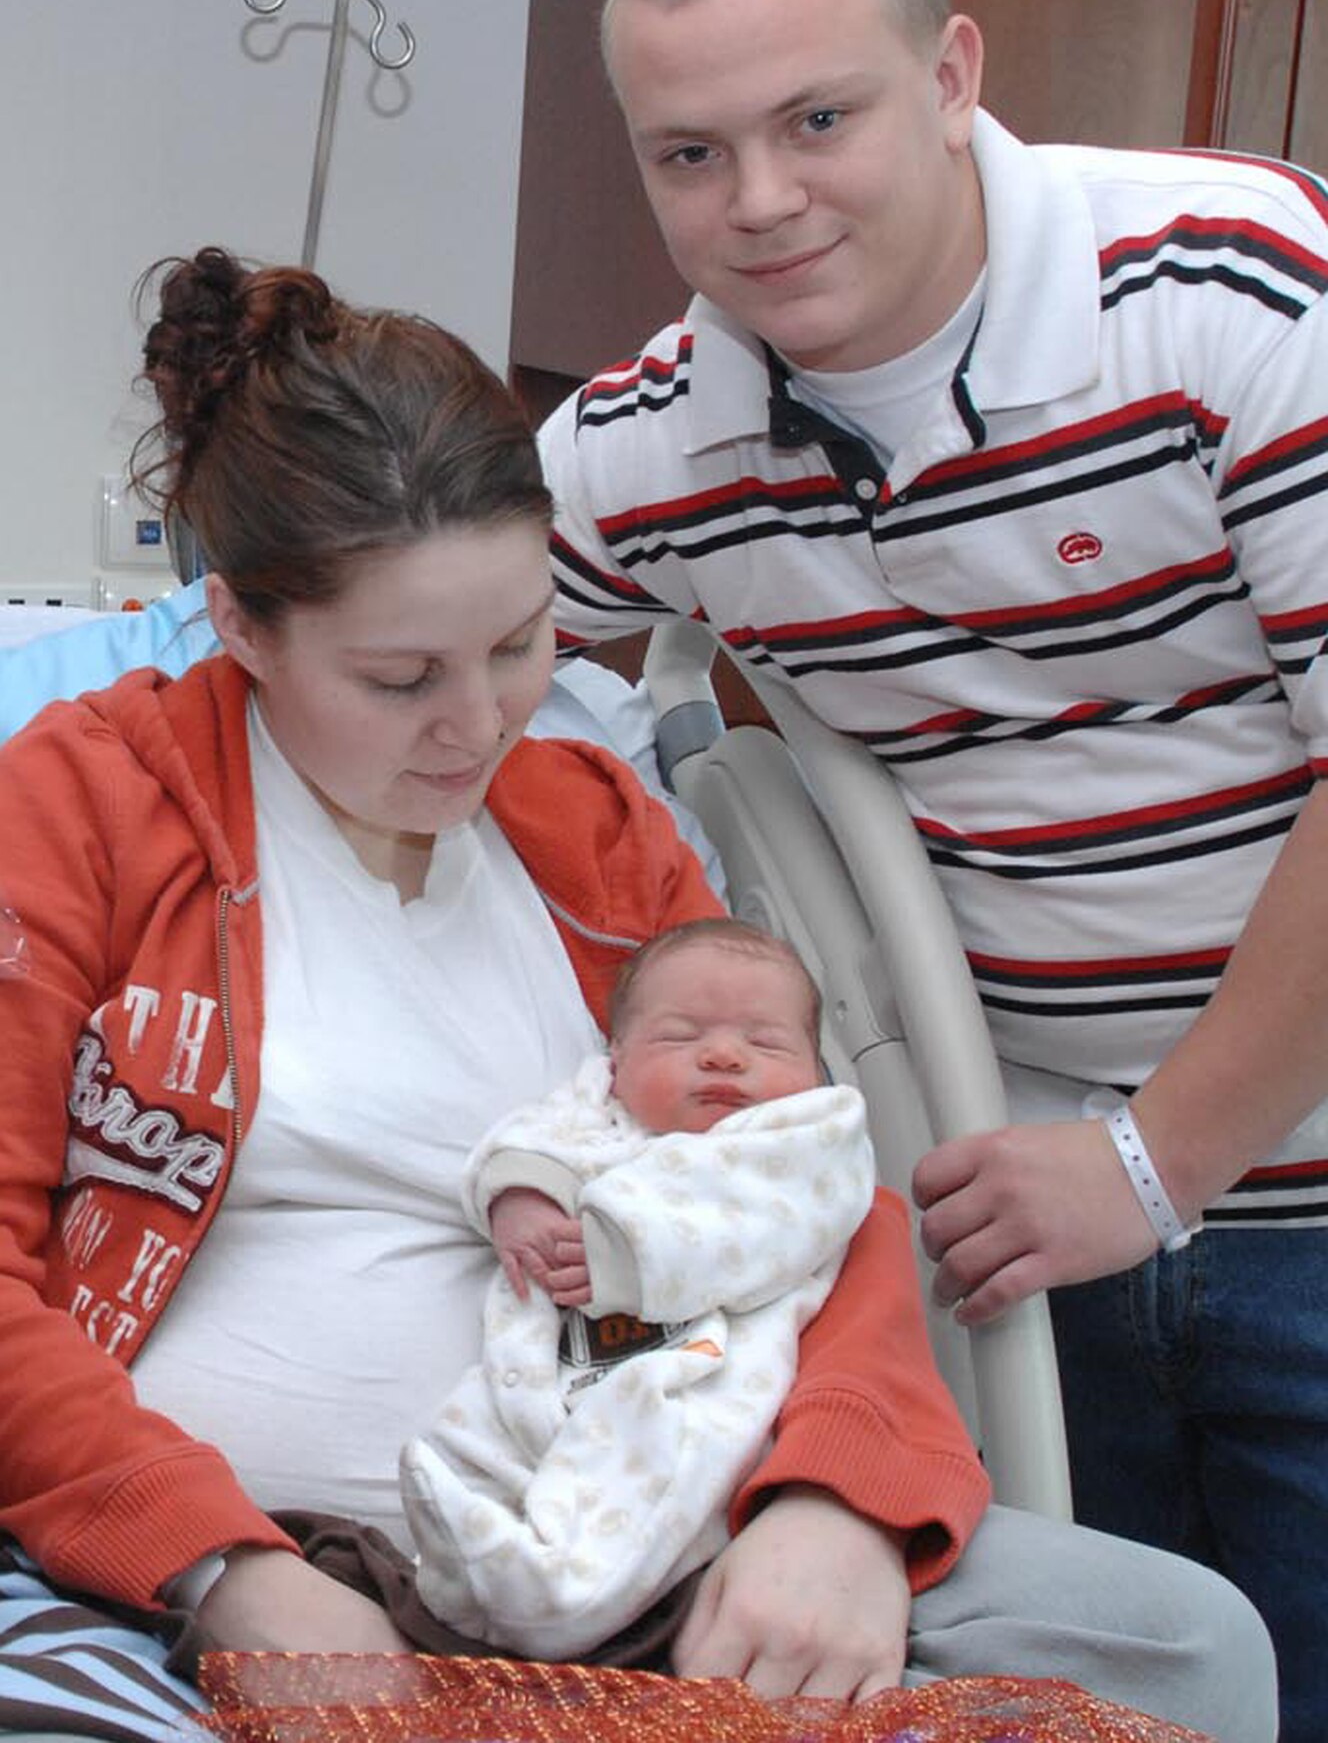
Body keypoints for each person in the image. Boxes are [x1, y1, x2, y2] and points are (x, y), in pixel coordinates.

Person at [0, 247, 1274, 1743]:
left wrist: (837, 1497)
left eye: (523, 645)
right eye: (404, 678)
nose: (478, 728)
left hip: (655, 1526)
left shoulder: (594, 830)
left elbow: (809, 1184)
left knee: (1188, 1648)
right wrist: (224, 1574)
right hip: (226, 1570)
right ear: (242, 630)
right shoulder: (86, 808)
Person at [536, 0, 1328, 1743]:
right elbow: (426, 667)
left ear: (955, 73)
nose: (761, 202)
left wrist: (1159, 1164)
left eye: (820, 117)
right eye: (690, 155)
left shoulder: (1240, 293)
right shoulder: (646, 449)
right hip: (997, 1209)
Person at [401, 918, 876, 1657]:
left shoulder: (807, 1135)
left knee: (655, 1475)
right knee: (481, 1422)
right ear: (616, 1061)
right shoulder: (598, 1110)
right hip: (551, 1350)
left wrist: (629, 1255)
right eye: (679, 1037)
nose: (722, 1054)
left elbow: (776, 1218)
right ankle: (461, 1566)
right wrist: (523, 1197)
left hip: (699, 1365)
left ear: (816, 1070)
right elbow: (529, 1139)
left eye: (766, 1042)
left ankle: (563, 1601)